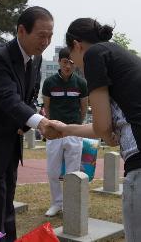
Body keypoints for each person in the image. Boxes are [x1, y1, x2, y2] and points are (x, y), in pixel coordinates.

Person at [50, 17, 141, 242]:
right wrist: (67, 129)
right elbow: (107, 126)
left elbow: (102, 126)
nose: (77, 65)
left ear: (77, 45)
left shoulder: (95, 55)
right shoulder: (125, 59)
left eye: (73, 57)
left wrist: (107, 135)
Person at [0, 6, 60, 242]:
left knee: (6, 207)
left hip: (8, 144)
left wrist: (25, 123)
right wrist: (40, 122)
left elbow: (28, 97)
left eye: (50, 35)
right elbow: (8, 98)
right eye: (41, 35)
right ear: (21, 31)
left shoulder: (34, 60)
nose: (46, 41)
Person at [42, 47, 88, 217]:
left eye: (71, 62)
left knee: (73, 171)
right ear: (59, 62)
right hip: (54, 131)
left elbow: (83, 107)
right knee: (52, 171)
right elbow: (47, 107)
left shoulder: (81, 83)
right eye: (64, 62)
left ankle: (70, 204)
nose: (68, 65)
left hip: (74, 130)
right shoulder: (49, 83)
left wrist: (78, 126)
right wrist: (51, 124)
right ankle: (56, 203)